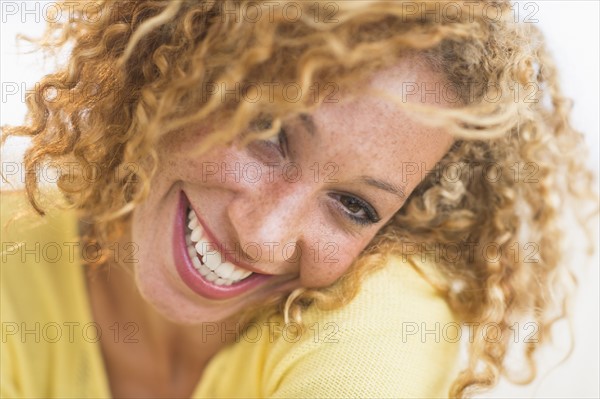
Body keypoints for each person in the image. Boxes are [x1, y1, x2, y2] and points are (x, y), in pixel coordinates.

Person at [1, 1, 597, 397]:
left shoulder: (380, 313)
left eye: (355, 206)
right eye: (268, 134)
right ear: (182, 66)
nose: (264, 236)